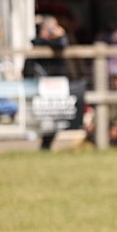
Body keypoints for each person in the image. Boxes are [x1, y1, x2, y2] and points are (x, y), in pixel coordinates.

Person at [23, 15, 69, 151]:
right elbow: (61, 43)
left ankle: (45, 146)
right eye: (52, 28)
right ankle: (44, 146)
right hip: (41, 85)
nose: (55, 30)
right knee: (43, 120)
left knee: (55, 119)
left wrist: (61, 37)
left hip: (55, 85)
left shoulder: (54, 44)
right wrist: (61, 36)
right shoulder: (39, 42)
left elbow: (62, 44)